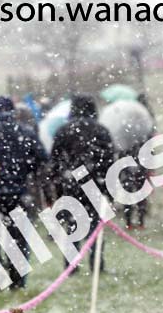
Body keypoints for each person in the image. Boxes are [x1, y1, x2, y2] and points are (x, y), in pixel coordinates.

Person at [0, 96, 48, 289]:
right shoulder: (25, 132)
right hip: (19, 192)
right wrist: (27, 168)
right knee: (19, 237)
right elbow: (42, 157)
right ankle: (17, 280)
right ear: (13, 111)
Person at [49, 94, 115, 273]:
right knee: (96, 226)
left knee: (72, 226)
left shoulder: (63, 131)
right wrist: (109, 189)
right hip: (96, 184)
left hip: (71, 184)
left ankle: (71, 266)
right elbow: (110, 161)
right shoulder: (101, 130)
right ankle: (96, 264)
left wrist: (57, 187)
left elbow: (54, 161)